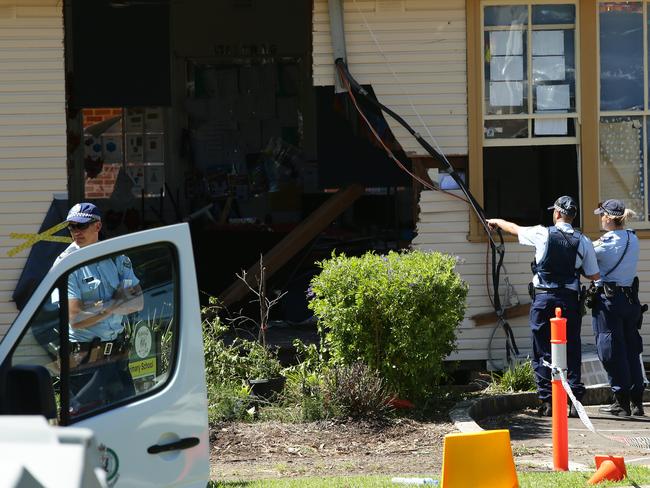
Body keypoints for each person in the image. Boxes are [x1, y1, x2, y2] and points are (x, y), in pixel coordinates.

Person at [487, 196, 600, 417]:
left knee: (542, 350)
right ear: (573, 216)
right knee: (572, 348)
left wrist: (496, 221)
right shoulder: (583, 240)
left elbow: (513, 228)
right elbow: (593, 274)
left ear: (557, 213)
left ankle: (548, 402)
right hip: (569, 299)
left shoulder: (542, 233)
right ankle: (574, 402)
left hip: (544, 299)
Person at [54, 202, 143, 416]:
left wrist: (96, 307)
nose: (76, 232)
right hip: (85, 360)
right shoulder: (66, 263)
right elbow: (75, 317)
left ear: (97, 226)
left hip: (117, 356)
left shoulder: (117, 257)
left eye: (81, 226)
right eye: (71, 227)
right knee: (87, 427)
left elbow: (137, 303)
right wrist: (115, 303)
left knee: (127, 420)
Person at [591, 199, 645, 417]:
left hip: (609, 302)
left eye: (602, 215)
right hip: (630, 300)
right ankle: (636, 402)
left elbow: (586, 258)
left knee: (611, 349)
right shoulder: (633, 238)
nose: (600, 218)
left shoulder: (606, 243)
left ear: (608, 218)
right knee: (632, 349)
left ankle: (620, 402)